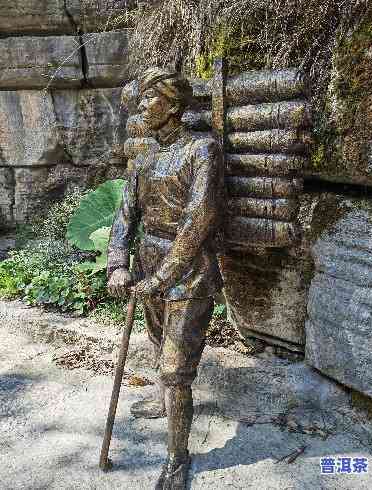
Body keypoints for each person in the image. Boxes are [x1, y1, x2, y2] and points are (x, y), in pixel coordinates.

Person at [107, 67, 224, 489]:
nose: (141, 107)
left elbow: (200, 219)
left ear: (173, 104)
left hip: (188, 272)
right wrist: (119, 263)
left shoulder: (203, 150)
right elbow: (125, 217)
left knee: (176, 368)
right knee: (157, 344)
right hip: (147, 262)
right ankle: (165, 403)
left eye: (148, 99)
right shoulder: (145, 159)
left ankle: (177, 457)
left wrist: (163, 275)